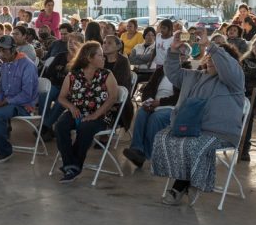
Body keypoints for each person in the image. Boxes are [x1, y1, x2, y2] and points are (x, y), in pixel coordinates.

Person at [151, 40, 246, 204]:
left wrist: (214, 48)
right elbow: (172, 72)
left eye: (216, 58)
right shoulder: (194, 76)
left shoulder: (234, 80)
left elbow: (230, 69)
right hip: (189, 128)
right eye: (209, 56)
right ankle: (192, 182)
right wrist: (173, 52)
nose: (210, 59)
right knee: (163, 138)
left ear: (227, 62)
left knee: (193, 145)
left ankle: (179, 187)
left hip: (219, 133)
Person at [53, 41, 120, 183]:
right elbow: (61, 97)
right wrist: (71, 107)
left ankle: (72, 166)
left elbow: (113, 98)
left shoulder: (107, 75)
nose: (104, 58)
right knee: (60, 126)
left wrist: (95, 114)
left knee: (85, 127)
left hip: (102, 115)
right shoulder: (73, 75)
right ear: (90, 58)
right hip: (77, 111)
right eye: (100, 55)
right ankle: (71, 165)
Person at [123, 44, 192, 168]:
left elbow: (180, 97)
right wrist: (148, 101)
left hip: (173, 107)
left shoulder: (187, 73)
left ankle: (145, 154)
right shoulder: (161, 70)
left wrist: (159, 103)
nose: (176, 57)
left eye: (180, 55)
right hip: (155, 103)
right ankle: (136, 148)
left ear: (186, 58)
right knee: (141, 113)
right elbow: (149, 88)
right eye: (174, 54)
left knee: (156, 118)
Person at [102, 35, 133, 130]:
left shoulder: (122, 61)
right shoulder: (100, 59)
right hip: (100, 94)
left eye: (109, 43)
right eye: (104, 43)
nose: (105, 45)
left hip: (117, 98)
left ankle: (105, 134)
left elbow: (121, 84)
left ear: (118, 47)